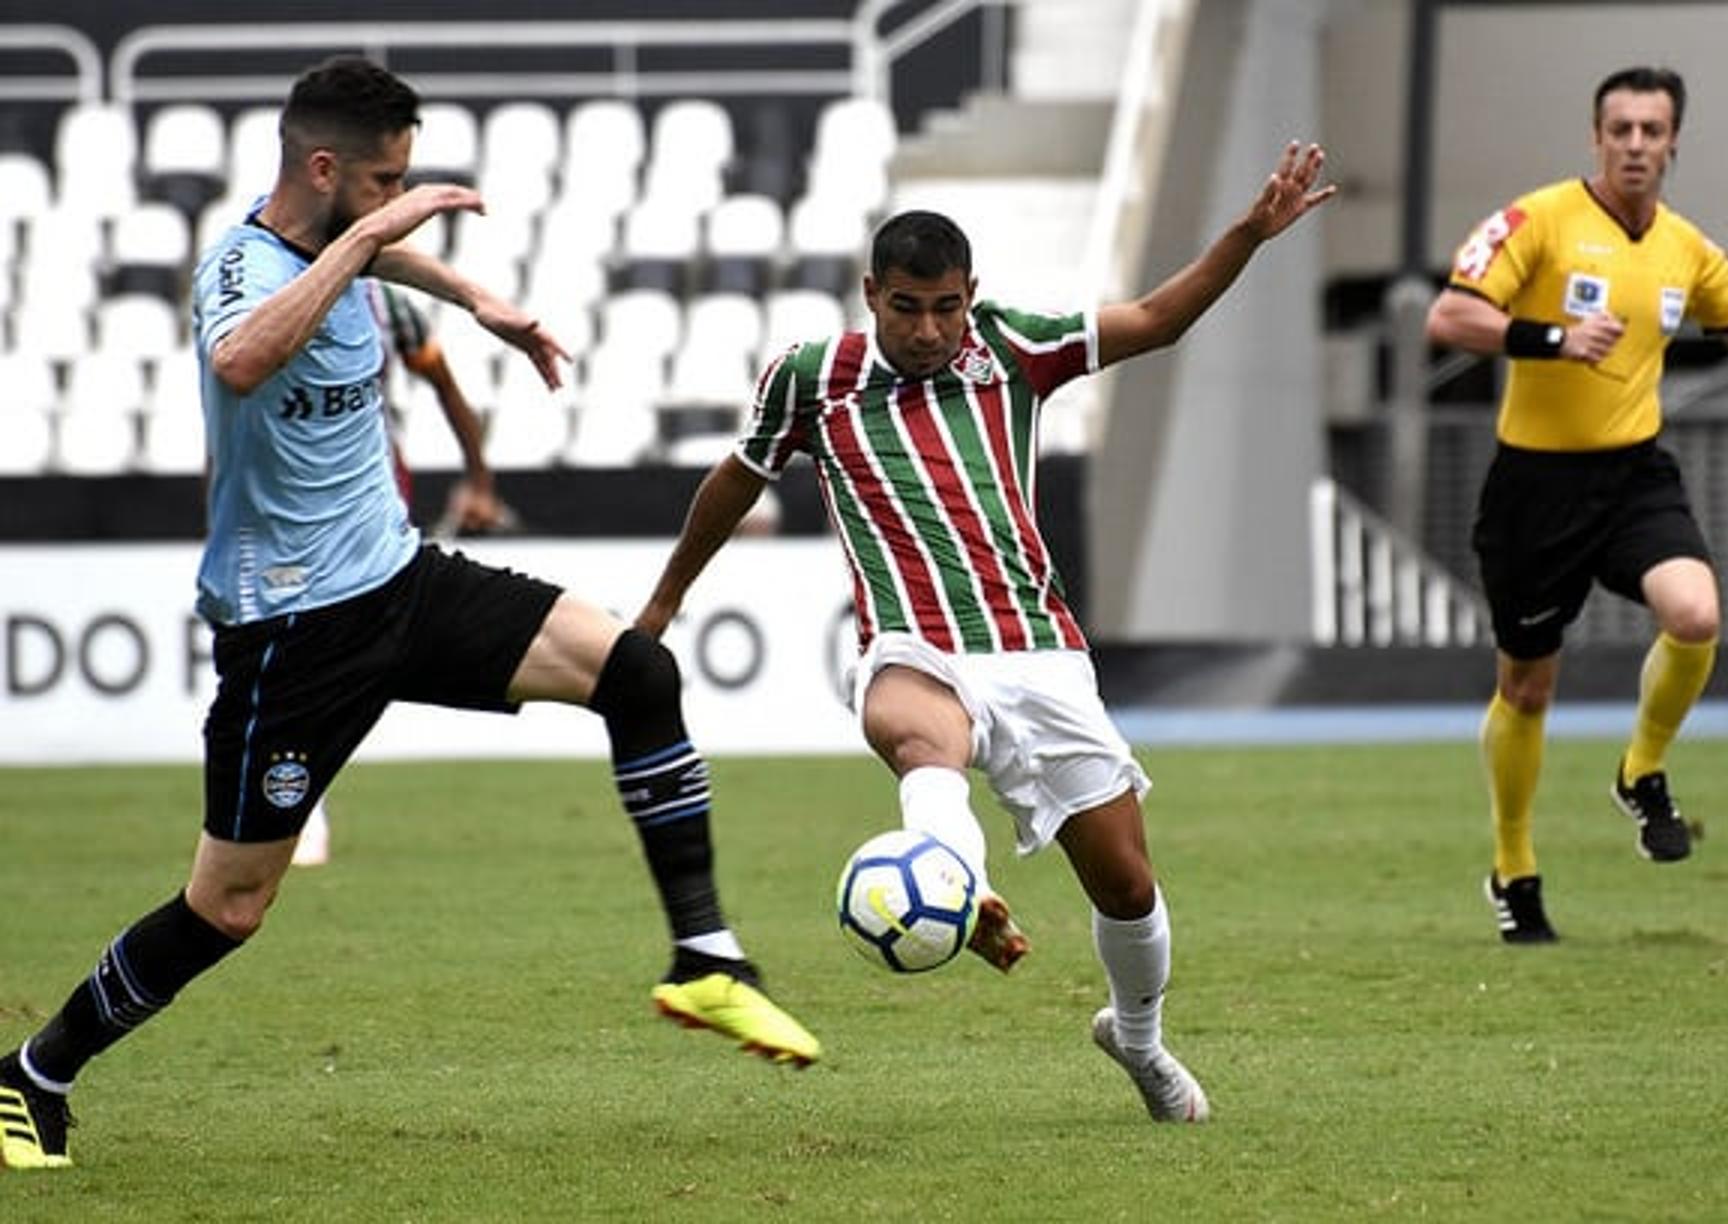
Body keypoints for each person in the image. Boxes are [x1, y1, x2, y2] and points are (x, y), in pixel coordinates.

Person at [0, 57, 816, 1173]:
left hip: (402, 582)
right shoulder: (236, 269)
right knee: (227, 909)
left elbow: (373, 251)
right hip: (291, 633)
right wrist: (377, 242)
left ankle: (707, 962)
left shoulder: (359, 245)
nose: (393, 201)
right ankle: (33, 1074)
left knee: (636, 669)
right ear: (322, 169)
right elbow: (242, 360)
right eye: (383, 182)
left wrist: (477, 298)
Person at [638, 144, 1337, 1123]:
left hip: (1037, 650)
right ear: (871, 293)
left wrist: (1248, 235)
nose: (928, 330)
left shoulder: (1009, 349)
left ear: (971, 297)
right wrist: (667, 601)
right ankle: (951, 882)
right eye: (907, 307)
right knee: (918, 733)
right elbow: (736, 481)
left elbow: (1157, 320)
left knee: (1128, 886)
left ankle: (1136, 1038)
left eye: (946, 308)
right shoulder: (812, 378)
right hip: (910, 641)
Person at [1425, 66, 1728, 944]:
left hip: (1632, 477)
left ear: (1673, 142)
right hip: (1534, 489)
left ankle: (1641, 770)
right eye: (1621, 130)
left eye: (1652, 132)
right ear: (1597, 137)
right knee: (1527, 688)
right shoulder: (1537, 220)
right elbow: (1450, 318)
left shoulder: (1686, 248)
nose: (1636, 146)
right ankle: (1513, 866)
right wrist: (1552, 339)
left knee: (1695, 615)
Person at [291, 280, 511, 868]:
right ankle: (297, 801)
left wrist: (480, 479)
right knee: (308, 659)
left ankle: (299, 795)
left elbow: (444, 384)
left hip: (375, 505)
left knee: (332, 659)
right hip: (292, 508)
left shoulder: (388, 305)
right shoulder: (272, 296)